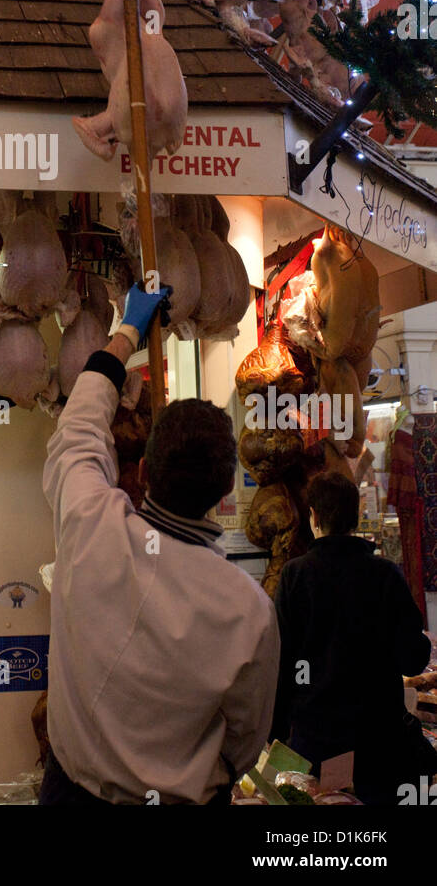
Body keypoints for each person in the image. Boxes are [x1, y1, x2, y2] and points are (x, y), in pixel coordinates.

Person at [41, 284, 280, 805]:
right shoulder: (250, 611)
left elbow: (79, 424)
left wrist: (128, 331)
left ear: (143, 471)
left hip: (70, 794)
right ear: (223, 497)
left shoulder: (89, 523)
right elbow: (245, 738)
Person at [272, 470, 434, 804]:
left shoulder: (295, 575)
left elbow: (281, 663)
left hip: (313, 744)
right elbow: (413, 657)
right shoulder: (384, 574)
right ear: (355, 515)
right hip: (378, 745)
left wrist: (275, 734)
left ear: (313, 517)